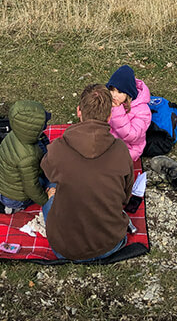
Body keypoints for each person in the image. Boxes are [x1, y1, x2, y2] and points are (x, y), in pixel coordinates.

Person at [41, 83, 134, 261]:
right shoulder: (121, 150)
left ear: (79, 111)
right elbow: (125, 196)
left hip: (63, 249)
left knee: (51, 182)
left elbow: (46, 170)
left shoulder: (58, 148)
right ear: (109, 117)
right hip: (111, 244)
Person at [0, 99, 52, 214]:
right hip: (14, 198)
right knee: (45, 182)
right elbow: (31, 187)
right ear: (32, 130)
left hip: (1, 186)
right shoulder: (28, 156)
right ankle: (5, 207)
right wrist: (46, 199)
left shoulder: (13, 134)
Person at [106, 64, 152, 162]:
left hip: (129, 149)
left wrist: (117, 110)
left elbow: (131, 136)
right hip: (110, 141)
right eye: (112, 90)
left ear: (128, 93)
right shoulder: (113, 101)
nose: (114, 95)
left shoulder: (143, 111)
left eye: (119, 92)